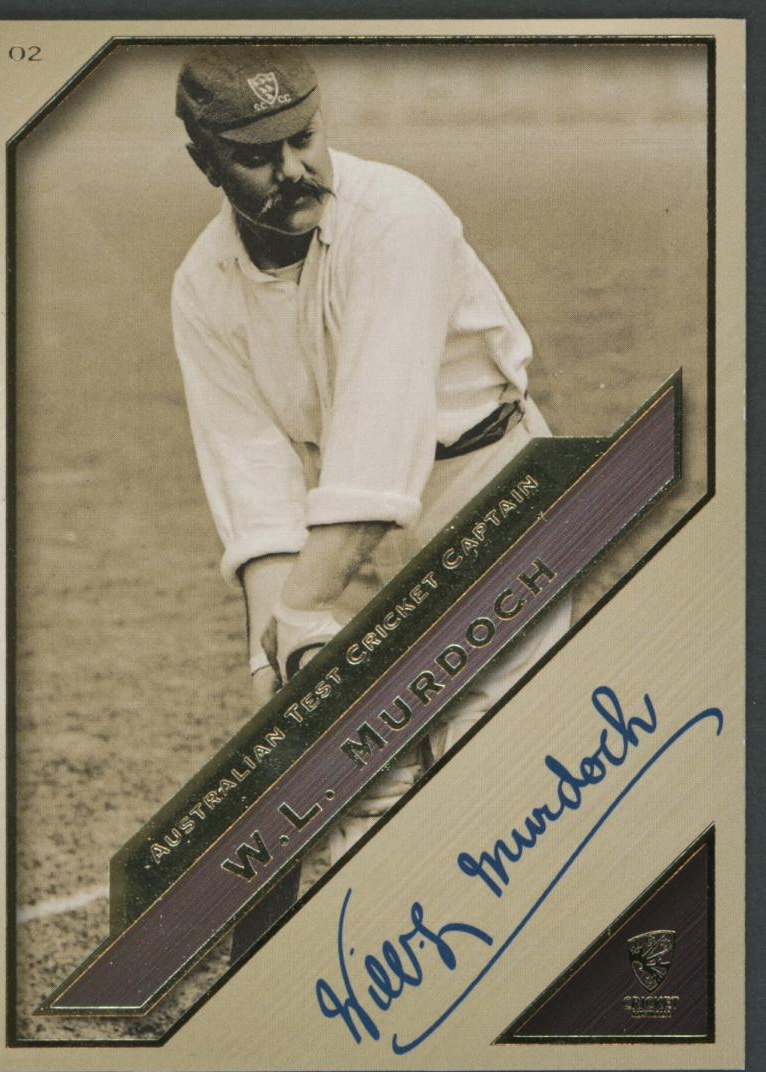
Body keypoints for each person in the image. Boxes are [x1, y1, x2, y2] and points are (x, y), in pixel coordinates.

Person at [171, 44, 571, 900]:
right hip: (339, 533)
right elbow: (254, 482)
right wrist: (273, 663)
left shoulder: (398, 218)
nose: (292, 169)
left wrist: (301, 616)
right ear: (204, 162)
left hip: (489, 503)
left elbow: (380, 444)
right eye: (256, 155)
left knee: (495, 785)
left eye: (303, 138)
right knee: (358, 795)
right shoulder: (202, 286)